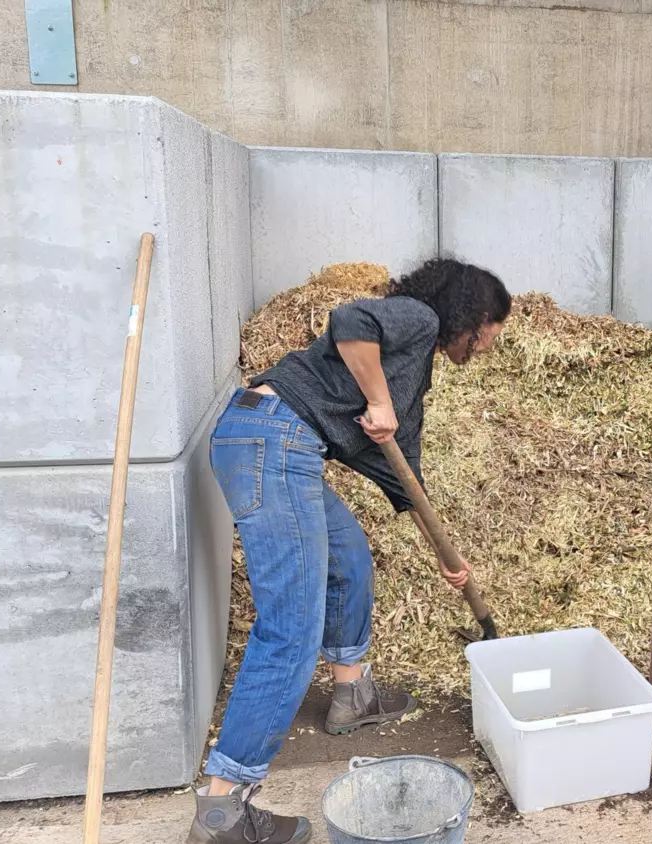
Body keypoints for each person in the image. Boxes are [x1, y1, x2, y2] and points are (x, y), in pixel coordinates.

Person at [189, 259, 512, 844]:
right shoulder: (418, 319)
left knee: (349, 558)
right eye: (491, 332)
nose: (489, 346)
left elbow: (403, 474)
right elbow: (350, 321)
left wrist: (446, 555)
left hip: (278, 441)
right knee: (291, 628)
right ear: (475, 316)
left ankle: (353, 693)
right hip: (275, 439)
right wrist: (379, 401)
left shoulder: (411, 371)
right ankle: (223, 811)